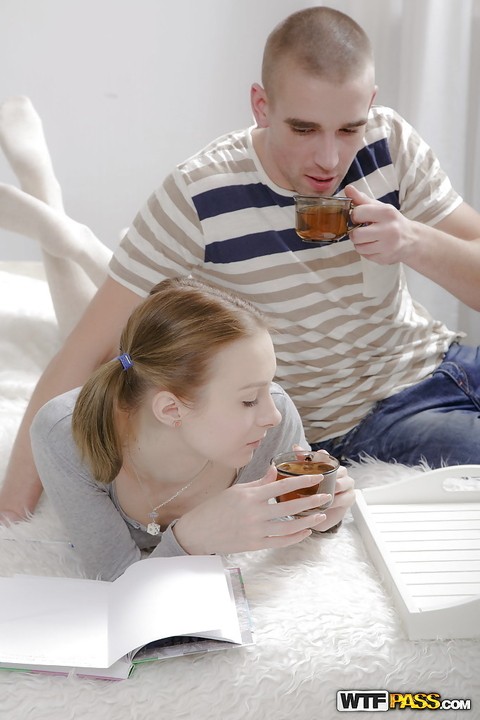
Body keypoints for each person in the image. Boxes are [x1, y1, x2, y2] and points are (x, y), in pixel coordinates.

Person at [2, 5, 480, 522]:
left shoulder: (390, 142)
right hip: (361, 420)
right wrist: (11, 516)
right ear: (261, 105)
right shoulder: (197, 194)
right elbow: (83, 353)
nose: (328, 158)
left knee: (133, 291)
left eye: (348, 129)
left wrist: (413, 240)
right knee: (119, 329)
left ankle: (68, 233)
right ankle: (63, 229)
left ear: (370, 104)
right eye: (303, 129)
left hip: (440, 362)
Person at [30, 277, 354, 581]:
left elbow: (296, 512)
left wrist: (324, 513)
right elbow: (115, 580)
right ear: (171, 409)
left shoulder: (273, 418)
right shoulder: (63, 435)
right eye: (249, 400)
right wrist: (190, 538)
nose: (274, 416)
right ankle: (71, 248)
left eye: (269, 385)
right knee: (78, 326)